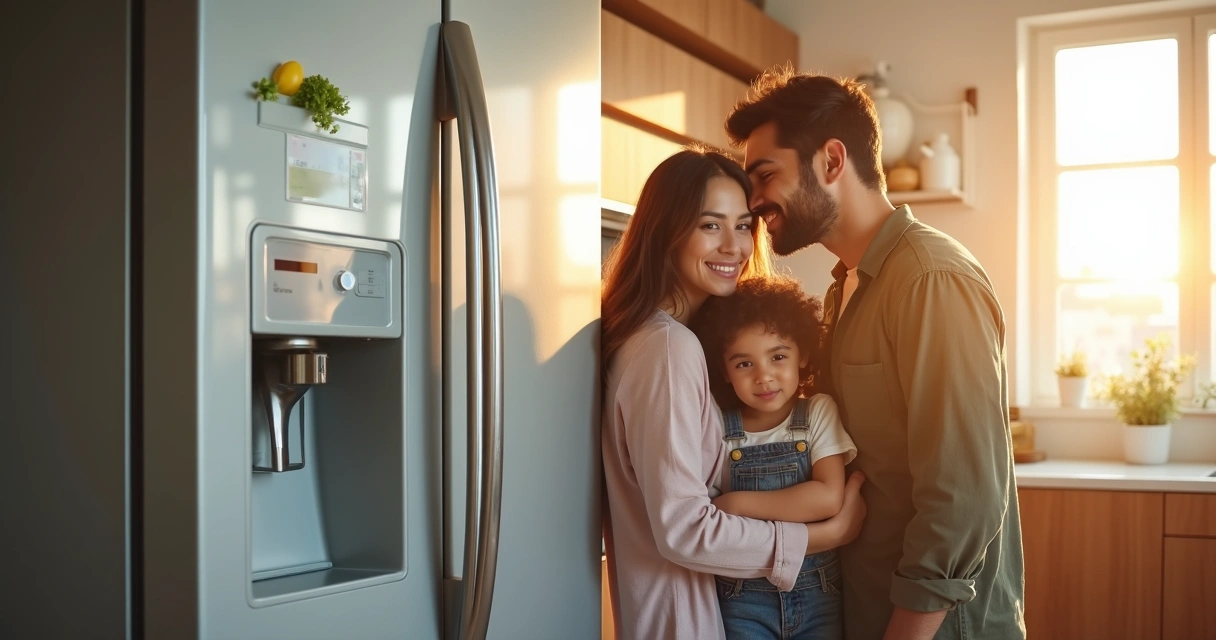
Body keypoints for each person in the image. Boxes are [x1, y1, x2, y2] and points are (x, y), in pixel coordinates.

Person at [724, 65, 1025, 640]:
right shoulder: (851, 284)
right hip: (872, 607)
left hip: (935, 627)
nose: (756, 200)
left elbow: (963, 496)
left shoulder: (930, 277)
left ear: (831, 161)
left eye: (765, 176)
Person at [600, 145, 868, 640]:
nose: (733, 246)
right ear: (666, 233)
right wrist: (825, 536)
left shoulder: (668, 340)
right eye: (709, 225)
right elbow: (687, 530)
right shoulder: (666, 348)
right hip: (687, 620)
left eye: (743, 225)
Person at [691, 274, 857, 639]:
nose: (764, 377)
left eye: (778, 356)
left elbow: (827, 498)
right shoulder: (716, 426)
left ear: (804, 355)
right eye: (744, 364)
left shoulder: (817, 412)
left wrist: (735, 504)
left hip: (819, 595)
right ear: (724, 370)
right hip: (741, 598)